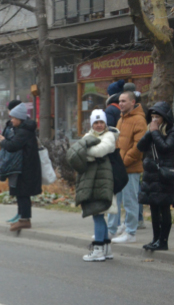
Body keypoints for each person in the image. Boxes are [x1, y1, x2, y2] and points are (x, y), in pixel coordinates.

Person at [67, 110, 118, 261]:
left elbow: (100, 151)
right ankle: (106, 249)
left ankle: (98, 250)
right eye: (95, 122)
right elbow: (78, 154)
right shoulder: (88, 136)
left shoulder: (109, 136)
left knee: (98, 214)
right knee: (98, 214)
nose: (99, 125)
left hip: (103, 181)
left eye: (101, 122)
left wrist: (85, 152)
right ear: (91, 124)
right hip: (93, 182)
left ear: (105, 123)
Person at [109, 91, 146, 244]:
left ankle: (131, 232)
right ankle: (114, 229)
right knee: (116, 200)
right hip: (120, 167)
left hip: (131, 168)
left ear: (133, 102)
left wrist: (124, 161)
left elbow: (139, 146)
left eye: (124, 101)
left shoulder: (139, 120)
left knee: (131, 201)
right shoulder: (121, 119)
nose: (121, 104)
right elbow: (117, 142)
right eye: (120, 101)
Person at [137, 102, 174, 251]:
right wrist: (150, 132)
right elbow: (140, 147)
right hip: (151, 176)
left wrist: (155, 132)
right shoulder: (153, 131)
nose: (154, 120)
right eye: (152, 117)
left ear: (164, 118)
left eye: (157, 117)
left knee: (163, 209)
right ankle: (155, 239)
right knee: (153, 209)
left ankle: (163, 241)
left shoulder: (171, 131)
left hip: (164, 176)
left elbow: (165, 148)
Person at [0, 102, 41, 232]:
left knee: (23, 193)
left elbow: (13, 146)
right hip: (25, 166)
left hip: (26, 168)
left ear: (19, 119)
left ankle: (25, 220)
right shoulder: (23, 130)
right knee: (21, 193)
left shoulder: (24, 132)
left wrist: (2, 141)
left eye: (13, 118)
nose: (11, 121)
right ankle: (23, 218)